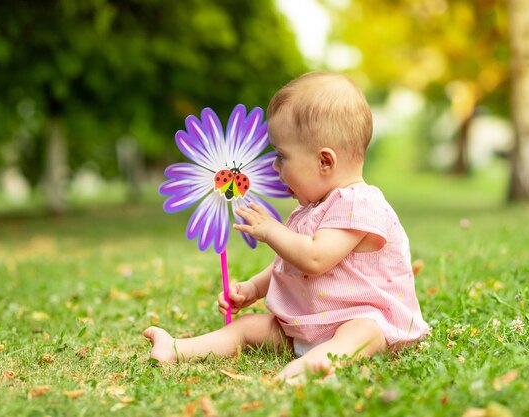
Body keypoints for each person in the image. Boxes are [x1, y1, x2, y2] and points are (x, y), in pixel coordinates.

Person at [144, 71, 429, 381]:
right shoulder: (312, 208)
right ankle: (176, 348)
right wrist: (253, 287)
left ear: (325, 161)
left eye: (281, 156)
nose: (274, 167)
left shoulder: (358, 203)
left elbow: (315, 258)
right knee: (248, 327)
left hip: (362, 319)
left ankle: (321, 363)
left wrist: (272, 231)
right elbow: (290, 264)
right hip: (310, 325)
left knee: (361, 332)